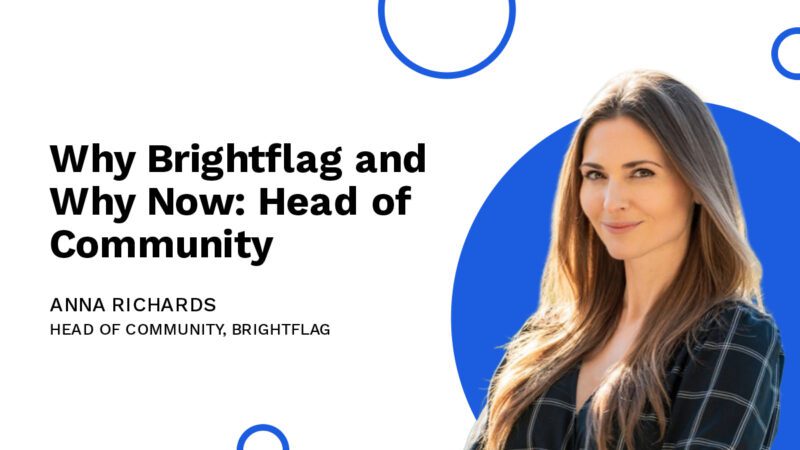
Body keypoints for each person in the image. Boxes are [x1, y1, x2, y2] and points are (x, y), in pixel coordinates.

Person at [464, 70, 784, 450]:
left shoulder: (734, 337)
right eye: (595, 175)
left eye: (642, 173)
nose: (611, 201)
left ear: (697, 185)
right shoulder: (540, 338)